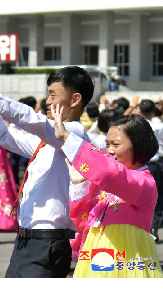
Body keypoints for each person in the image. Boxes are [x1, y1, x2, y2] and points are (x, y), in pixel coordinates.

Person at [0, 65, 94, 278]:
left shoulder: (73, 133)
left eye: (53, 95)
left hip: (46, 243)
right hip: (26, 240)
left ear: (75, 100)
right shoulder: (46, 141)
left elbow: (30, 119)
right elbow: (3, 136)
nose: (47, 101)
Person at [52, 104, 163, 278]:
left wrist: (67, 138)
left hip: (126, 263)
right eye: (107, 144)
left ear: (138, 145)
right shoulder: (106, 186)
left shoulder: (144, 183)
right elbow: (81, 223)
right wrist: (79, 184)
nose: (109, 150)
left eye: (115, 144)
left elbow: (110, 173)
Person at [136, 99, 163, 241]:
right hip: (155, 163)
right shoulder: (159, 125)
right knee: (156, 196)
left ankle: (142, 226)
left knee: (141, 197)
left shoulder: (137, 126)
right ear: (153, 111)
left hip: (139, 164)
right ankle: (154, 227)